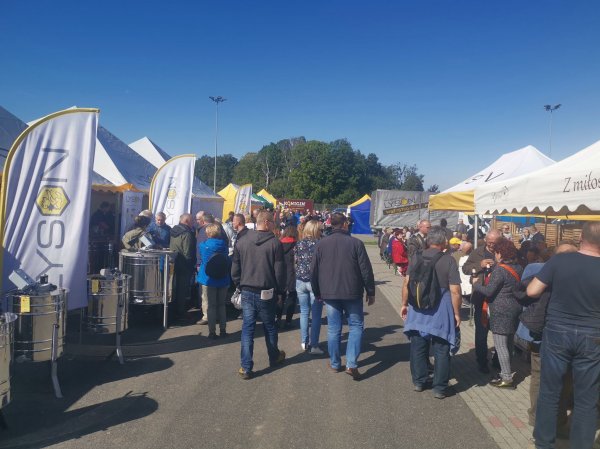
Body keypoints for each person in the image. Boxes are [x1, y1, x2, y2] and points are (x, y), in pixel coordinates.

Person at [527, 222, 600, 449]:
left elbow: (532, 290)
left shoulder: (560, 260)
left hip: (558, 330)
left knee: (550, 391)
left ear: (581, 237)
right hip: (593, 335)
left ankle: (544, 443)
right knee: (587, 398)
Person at [311, 213, 375, 380]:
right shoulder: (356, 243)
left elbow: (314, 270)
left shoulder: (321, 244)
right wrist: (370, 291)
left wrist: (317, 292)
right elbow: (366, 270)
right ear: (345, 224)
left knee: (334, 328)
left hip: (329, 292)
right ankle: (351, 363)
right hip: (352, 291)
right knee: (356, 326)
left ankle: (334, 363)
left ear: (331, 224)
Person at [401, 226, 461, 399]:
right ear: (443, 242)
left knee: (417, 346)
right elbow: (455, 290)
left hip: (418, 306)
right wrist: (457, 313)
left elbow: (406, 283)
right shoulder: (449, 260)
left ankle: (419, 381)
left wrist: (404, 304)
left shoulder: (416, 257)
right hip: (440, 308)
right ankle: (439, 388)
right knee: (441, 349)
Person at [232, 211, 286, 379]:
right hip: (266, 291)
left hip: (248, 289)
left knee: (248, 328)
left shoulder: (243, 240)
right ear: (267, 222)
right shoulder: (275, 243)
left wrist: (239, 284)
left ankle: (246, 367)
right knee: (269, 326)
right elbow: (279, 272)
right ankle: (273, 357)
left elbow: (235, 269)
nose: (275, 225)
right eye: (273, 222)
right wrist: (280, 292)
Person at [472, 238, 523, 388]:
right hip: (514, 307)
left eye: (496, 252)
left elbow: (489, 291)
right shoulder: (518, 267)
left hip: (501, 310)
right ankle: (506, 371)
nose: (495, 255)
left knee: (500, 345)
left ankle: (506, 377)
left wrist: (475, 284)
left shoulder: (500, 270)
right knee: (509, 342)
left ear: (500, 253)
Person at [462, 229, 502, 373]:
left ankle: (498, 361)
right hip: (480, 298)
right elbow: (466, 269)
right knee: (481, 333)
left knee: (499, 334)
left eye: (494, 243)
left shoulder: (503, 252)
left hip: (498, 298)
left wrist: (498, 264)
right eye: (489, 242)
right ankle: (482, 362)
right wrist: (480, 264)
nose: (491, 245)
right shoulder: (477, 252)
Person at [294, 219, 323, 354]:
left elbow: (296, 261)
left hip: (300, 280)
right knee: (316, 315)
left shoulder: (299, 243)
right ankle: (314, 345)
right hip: (314, 281)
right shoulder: (320, 244)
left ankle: (304, 341)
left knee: (304, 312)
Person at [197, 224, 230, 338]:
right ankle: (223, 330)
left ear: (208, 233)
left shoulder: (203, 245)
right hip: (223, 277)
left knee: (211, 306)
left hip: (208, 279)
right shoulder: (224, 246)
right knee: (221, 305)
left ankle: (212, 332)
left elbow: (201, 258)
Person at [169, 213, 197, 322]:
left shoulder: (173, 230)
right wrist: (191, 265)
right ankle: (181, 312)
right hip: (184, 265)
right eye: (192, 220)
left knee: (173, 288)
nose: (193, 222)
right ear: (186, 221)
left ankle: (173, 310)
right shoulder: (186, 233)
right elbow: (187, 252)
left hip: (174, 263)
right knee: (182, 289)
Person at [276, 225, 298, 328]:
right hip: (292, 273)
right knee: (291, 297)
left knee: (280, 297)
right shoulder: (296, 245)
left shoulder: (278, 244)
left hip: (279, 274)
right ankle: (288, 321)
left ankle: (278, 318)